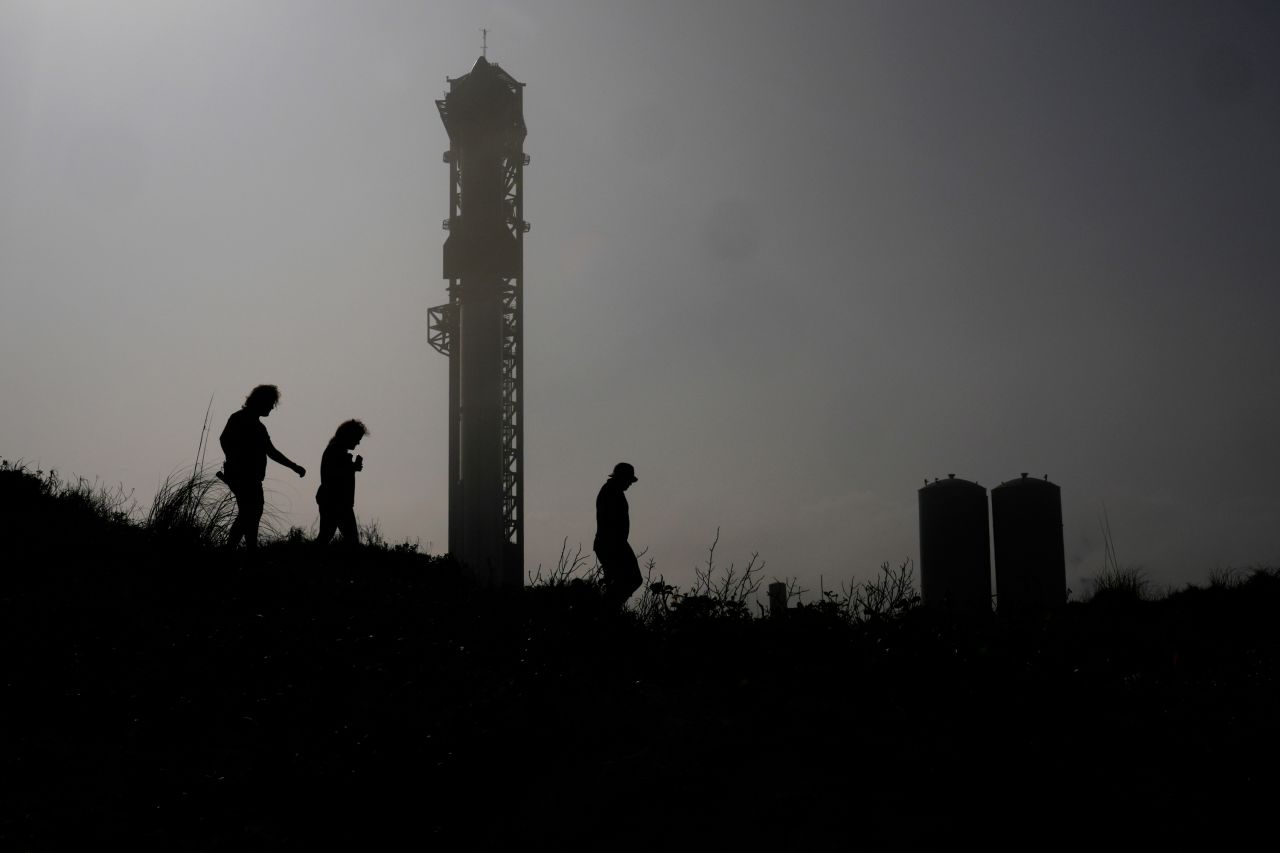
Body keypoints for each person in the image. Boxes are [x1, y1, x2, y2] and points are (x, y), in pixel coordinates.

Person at [218, 384, 306, 552]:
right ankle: (233, 550)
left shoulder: (259, 427)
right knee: (249, 513)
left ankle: (245, 550)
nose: (272, 407)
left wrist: (293, 467)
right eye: (271, 403)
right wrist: (237, 463)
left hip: (252, 477)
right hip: (243, 477)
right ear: (261, 401)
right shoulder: (239, 418)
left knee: (251, 514)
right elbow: (225, 440)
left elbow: (271, 451)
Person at [594, 462, 642, 608]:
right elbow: (610, 521)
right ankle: (607, 609)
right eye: (628, 480)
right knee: (632, 579)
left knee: (621, 580)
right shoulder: (611, 491)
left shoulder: (612, 491)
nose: (630, 484)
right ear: (622, 478)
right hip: (612, 544)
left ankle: (609, 609)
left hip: (613, 543)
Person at [316, 419, 368, 546]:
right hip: (336, 502)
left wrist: (352, 468)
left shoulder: (336, 450)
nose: (358, 442)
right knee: (350, 540)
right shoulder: (335, 450)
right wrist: (352, 468)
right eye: (357, 438)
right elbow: (334, 476)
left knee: (325, 536)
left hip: (334, 501)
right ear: (349, 436)